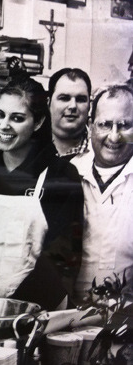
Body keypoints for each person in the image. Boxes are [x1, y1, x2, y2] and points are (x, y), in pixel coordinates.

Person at [0, 75, 84, 310]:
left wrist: (12, 311)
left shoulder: (61, 176)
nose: (4, 126)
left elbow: (61, 258)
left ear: (39, 122)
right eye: (0, 114)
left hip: (37, 310)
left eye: (17, 118)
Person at [73, 83, 133, 301]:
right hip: (66, 314)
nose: (114, 137)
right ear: (90, 126)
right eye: (105, 125)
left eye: (125, 126)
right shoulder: (69, 174)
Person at [48, 67, 92, 161]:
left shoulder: (102, 151)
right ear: (48, 103)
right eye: (64, 98)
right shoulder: (28, 146)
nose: (73, 106)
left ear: (89, 105)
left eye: (80, 99)